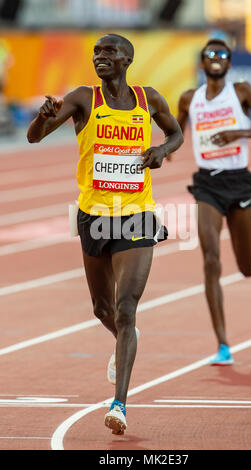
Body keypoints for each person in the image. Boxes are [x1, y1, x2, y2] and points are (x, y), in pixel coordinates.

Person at [27, 33, 183, 434]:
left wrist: (162, 152)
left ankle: (119, 404)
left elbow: (176, 133)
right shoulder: (83, 98)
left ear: (127, 59)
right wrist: (44, 115)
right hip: (94, 217)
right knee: (102, 309)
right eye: (96, 52)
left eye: (109, 52)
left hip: (136, 215)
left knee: (126, 307)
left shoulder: (149, 99)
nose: (100, 57)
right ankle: (125, 338)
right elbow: (34, 137)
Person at [172, 38, 251, 365]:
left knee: (247, 268)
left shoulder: (242, 91)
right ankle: (222, 344)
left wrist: (238, 134)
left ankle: (224, 338)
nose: (215, 58)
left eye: (222, 54)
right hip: (207, 184)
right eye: (209, 55)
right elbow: (176, 132)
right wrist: (166, 150)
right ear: (202, 64)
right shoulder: (190, 98)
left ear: (229, 64)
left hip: (239, 181)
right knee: (210, 259)